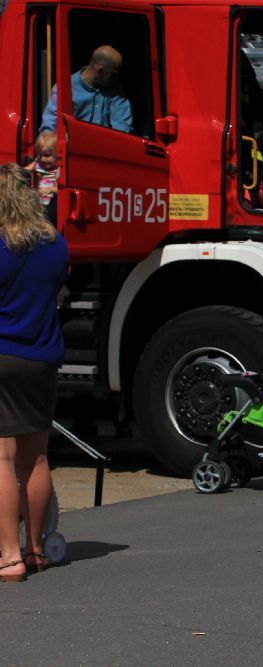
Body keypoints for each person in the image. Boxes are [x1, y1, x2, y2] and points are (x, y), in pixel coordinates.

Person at [0, 163, 69, 582]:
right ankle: (37, 548)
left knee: (2, 458)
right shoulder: (55, 244)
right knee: (36, 457)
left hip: (2, 354)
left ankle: (8, 556)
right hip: (43, 357)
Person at [40, 45, 133, 134]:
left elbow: (122, 127)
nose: (116, 78)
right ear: (100, 70)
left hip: (105, 147)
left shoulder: (115, 90)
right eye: (112, 74)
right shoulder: (66, 88)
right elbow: (49, 128)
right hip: (74, 146)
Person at [27, 131, 59, 223]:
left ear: (57, 154)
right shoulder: (37, 164)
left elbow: (60, 189)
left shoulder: (58, 169)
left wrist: (50, 189)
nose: (42, 159)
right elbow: (23, 170)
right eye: (39, 155)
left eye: (47, 155)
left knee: (48, 220)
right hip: (37, 202)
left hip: (50, 204)